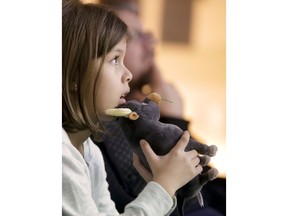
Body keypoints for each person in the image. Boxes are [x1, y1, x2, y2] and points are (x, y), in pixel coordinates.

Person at [62, 0, 205, 215]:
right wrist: (163, 187)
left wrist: (163, 187)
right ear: (74, 76)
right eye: (115, 59)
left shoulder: (89, 151)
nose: (127, 74)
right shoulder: (62, 157)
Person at [92, 0, 226, 215]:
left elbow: (206, 185)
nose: (151, 41)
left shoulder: (145, 110)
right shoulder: (104, 124)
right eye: (135, 35)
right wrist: (175, 121)